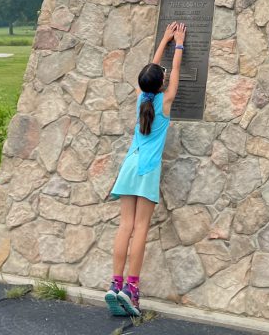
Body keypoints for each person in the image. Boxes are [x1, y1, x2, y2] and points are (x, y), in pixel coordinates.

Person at [104, 20, 187, 317]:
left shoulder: (143, 98)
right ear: (162, 84)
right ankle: (132, 290)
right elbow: (173, 72)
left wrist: (163, 40)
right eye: (163, 76)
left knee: (124, 226)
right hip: (147, 170)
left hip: (129, 166)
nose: (165, 74)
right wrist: (177, 43)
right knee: (140, 228)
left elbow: (151, 72)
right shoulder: (165, 103)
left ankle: (114, 285)